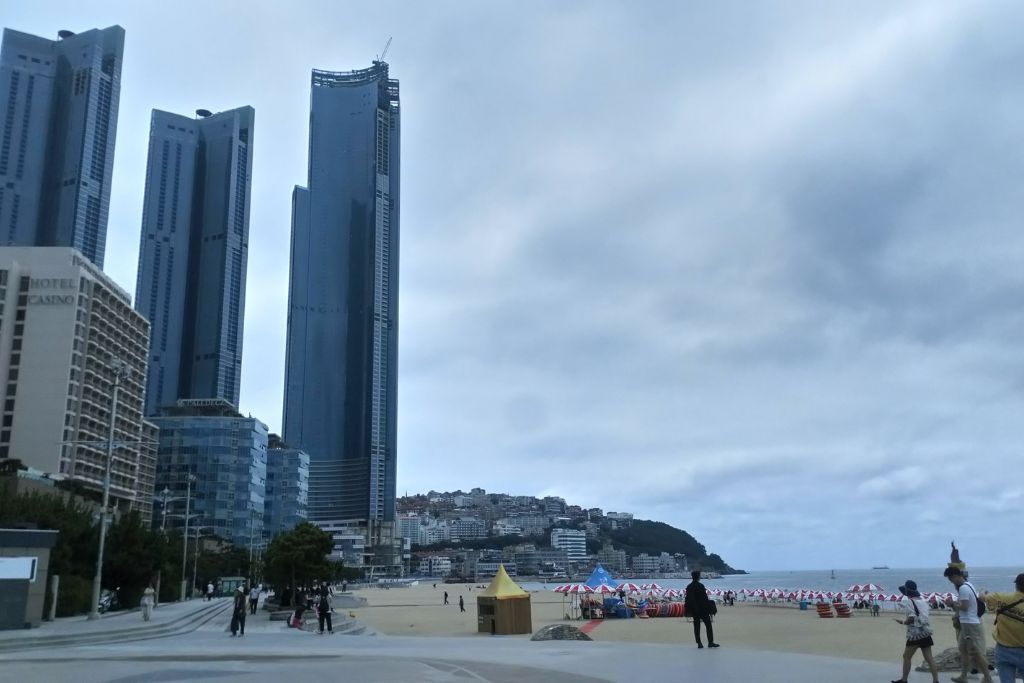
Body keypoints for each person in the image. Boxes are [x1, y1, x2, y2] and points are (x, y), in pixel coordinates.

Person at [944, 566, 993, 683]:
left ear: (955, 576)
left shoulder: (963, 589)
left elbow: (964, 607)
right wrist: (956, 605)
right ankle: (963, 676)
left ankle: (988, 678)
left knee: (975, 652)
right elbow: (967, 605)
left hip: (970, 623)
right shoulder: (969, 585)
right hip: (967, 622)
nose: (951, 582)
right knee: (963, 649)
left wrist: (952, 603)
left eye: (951, 579)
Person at [891, 580, 940, 683]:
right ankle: (936, 681)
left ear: (907, 591)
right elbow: (921, 615)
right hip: (926, 633)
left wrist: (903, 622)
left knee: (906, 656)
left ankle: (904, 680)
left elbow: (912, 619)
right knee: (930, 659)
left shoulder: (910, 602)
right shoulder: (923, 601)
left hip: (915, 635)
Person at [981, 572, 1024, 683]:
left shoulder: (1002, 598)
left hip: (1003, 650)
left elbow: (982, 597)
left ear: (1016, 585)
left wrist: (983, 591)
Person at [684, 570, 719, 649]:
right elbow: (704, 598)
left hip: (694, 610)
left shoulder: (689, 586)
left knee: (696, 626)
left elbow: (688, 599)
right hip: (703, 609)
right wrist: (709, 609)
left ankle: (699, 643)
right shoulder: (701, 586)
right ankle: (710, 642)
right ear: (698, 577)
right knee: (708, 625)